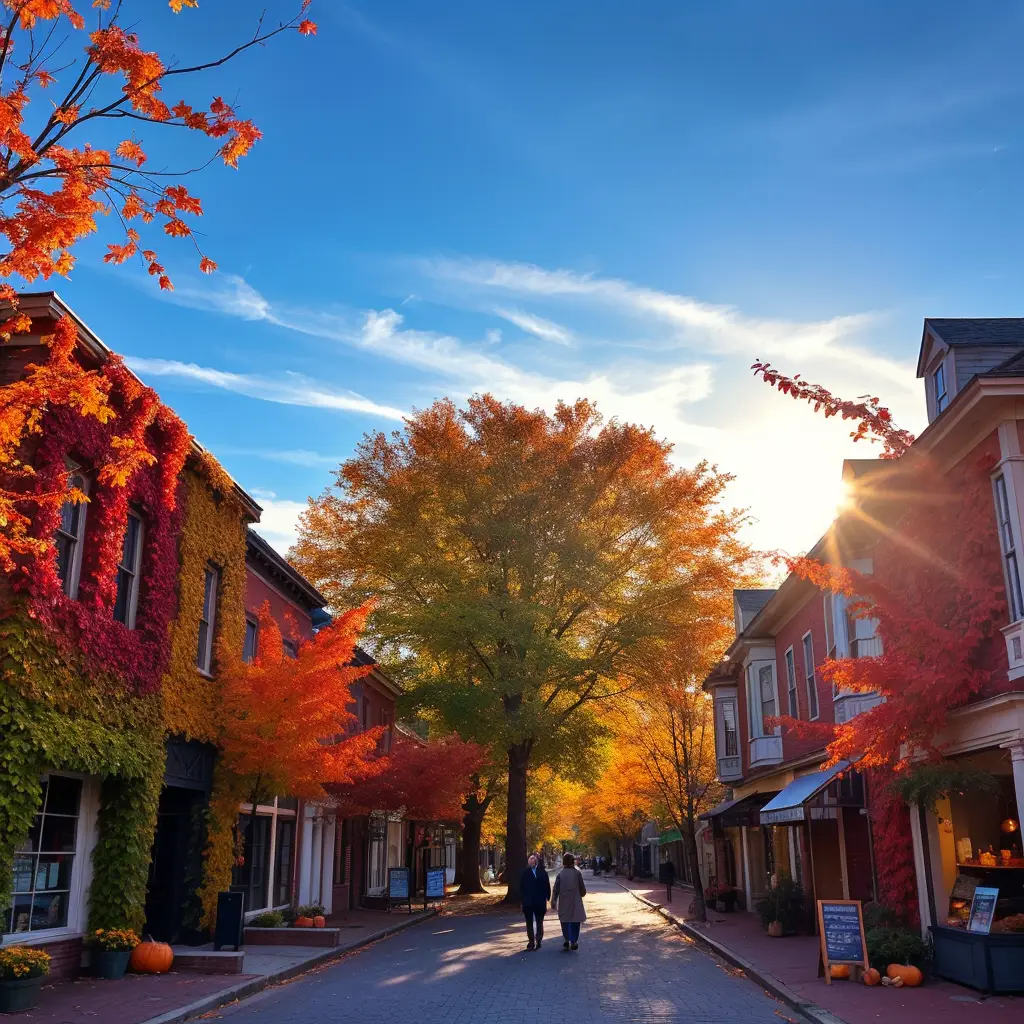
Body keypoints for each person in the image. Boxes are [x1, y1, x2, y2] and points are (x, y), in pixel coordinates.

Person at [552, 852, 587, 950]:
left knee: (565, 921)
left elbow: (555, 889)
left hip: (564, 901)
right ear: (572, 862)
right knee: (575, 922)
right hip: (575, 901)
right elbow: (582, 890)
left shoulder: (560, 874)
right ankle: (574, 941)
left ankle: (566, 939)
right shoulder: (577, 874)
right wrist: (581, 893)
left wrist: (553, 901)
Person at [519, 853, 550, 951]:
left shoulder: (542, 872)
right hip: (528, 902)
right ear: (529, 862)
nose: (532, 862)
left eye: (534, 860)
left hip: (540, 901)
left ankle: (539, 940)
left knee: (539, 921)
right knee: (529, 922)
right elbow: (521, 887)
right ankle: (531, 941)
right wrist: (521, 900)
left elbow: (546, 885)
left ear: (536, 862)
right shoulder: (525, 872)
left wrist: (547, 896)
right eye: (530, 860)